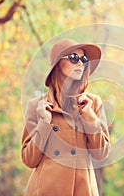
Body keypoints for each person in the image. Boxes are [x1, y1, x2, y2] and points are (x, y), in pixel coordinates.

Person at [21, 39, 110, 196]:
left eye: (84, 60)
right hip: (45, 189)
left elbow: (101, 153)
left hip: (82, 190)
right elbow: (29, 160)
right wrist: (44, 122)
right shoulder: (37, 106)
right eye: (74, 58)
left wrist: (89, 117)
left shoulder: (93, 103)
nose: (80, 64)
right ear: (57, 64)